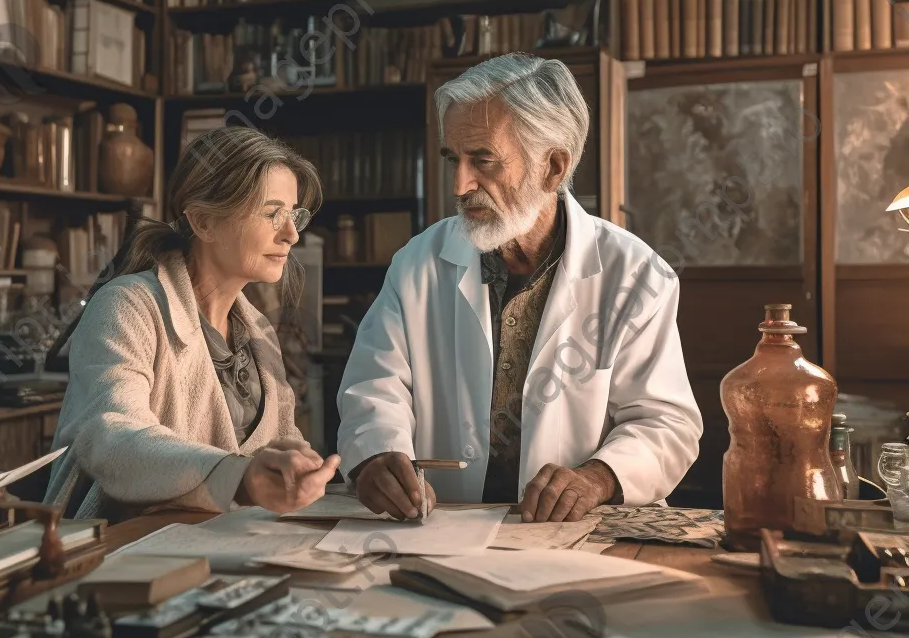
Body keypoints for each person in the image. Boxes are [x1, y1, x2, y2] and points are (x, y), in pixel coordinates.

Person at [337, 53, 702, 523]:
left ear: (552, 167)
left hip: (578, 538)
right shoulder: (419, 262)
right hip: (439, 528)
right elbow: (374, 387)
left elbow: (666, 422)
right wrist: (375, 456)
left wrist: (597, 478)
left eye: (483, 160)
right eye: (453, 159)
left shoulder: (635, 275)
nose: (460, 184)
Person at [45, 127, 340, 521]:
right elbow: (111, 438)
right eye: (273, 214)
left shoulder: (260, 334)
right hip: (121, 550)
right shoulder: (128, 306)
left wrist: (298, 468)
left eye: (293, 216)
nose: (291, 235)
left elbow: (281, 444)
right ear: (203, 222)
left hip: (225, 549)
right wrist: (238, 476)